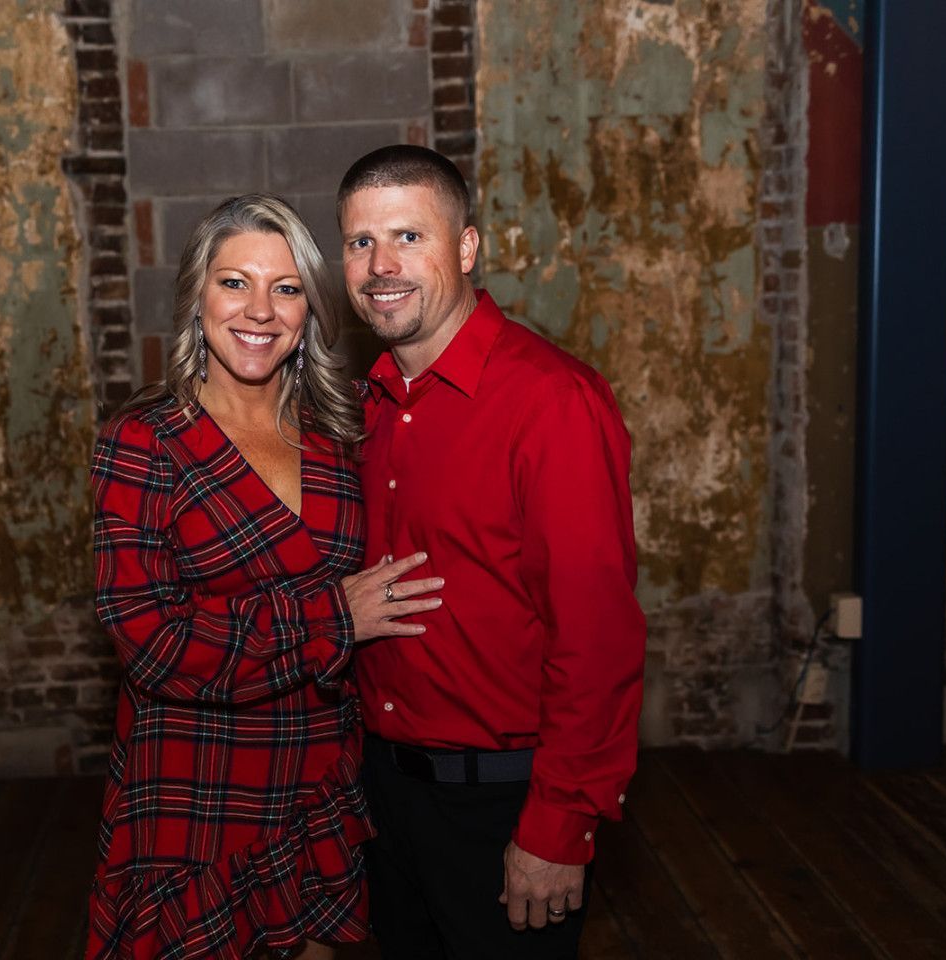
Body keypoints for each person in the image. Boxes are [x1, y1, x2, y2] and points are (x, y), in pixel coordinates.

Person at [85, 194, 441, 960]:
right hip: (196, 789)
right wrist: (329, 619)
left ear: (310, 311)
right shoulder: (145, 441)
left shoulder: (340, 431)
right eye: (234, 282)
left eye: (285, 288)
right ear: (197, 296)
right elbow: (151, 645)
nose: (259, 310)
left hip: (318, 782)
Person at [338, 145, 646, 959]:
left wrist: (558, 826)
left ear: (467, 246)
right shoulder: (368, 407)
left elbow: (597, 638)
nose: (380, 266)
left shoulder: (550, 401)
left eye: (408, 236)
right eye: (360, 242)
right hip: (383, 796)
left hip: (501, 805)